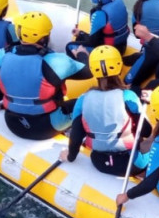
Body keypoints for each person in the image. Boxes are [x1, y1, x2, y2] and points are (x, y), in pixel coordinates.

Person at [0, 11, 92, 140]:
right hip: (46, 127)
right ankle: (80, 134)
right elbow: (88, 72)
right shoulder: (57, 61)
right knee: (88, 102)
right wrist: (82, 54)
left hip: (13, 124)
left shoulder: (1, 55)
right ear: (44, 38)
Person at [59, 45, 151, 176]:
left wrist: (70, 156)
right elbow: (147, 131)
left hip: (99, 162)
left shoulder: (83, 100)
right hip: (133, 164)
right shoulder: (128, 96)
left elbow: (76, 135)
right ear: (119, 67)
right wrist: (145, 104)